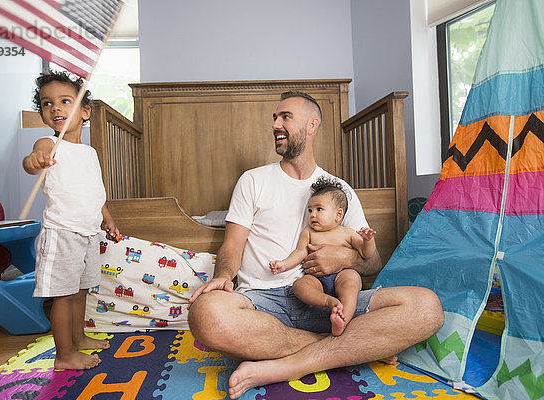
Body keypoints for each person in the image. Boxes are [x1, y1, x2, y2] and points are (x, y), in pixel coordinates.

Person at [188, 90, 443, 400]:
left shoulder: (339, 191)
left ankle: (288, 365)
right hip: (261, 305)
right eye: (274, 118)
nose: (275, 125)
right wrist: (224, 276)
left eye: (285, 117)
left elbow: (371, 264)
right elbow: (231, 246)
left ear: (312, 125)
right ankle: (352, 348)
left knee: (427, 307)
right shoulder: (253, 180)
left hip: (329, 301)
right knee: (205, 314)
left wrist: (342, 258)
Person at [23, 71, 120, 370]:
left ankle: (78, 339)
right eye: (47, 103)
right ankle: (64, 355)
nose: (56, 108)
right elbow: (32, 160)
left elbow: (96, 191)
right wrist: (34, 161)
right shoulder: (49, 144)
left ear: (85, 111)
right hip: (62, 232)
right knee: (63, 296)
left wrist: (108, 219)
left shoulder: (89, 153)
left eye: (65, 101)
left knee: (80, 292)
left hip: (88, 233)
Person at [269, 176, 376, 337]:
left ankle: (342, 320)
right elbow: (300, 252)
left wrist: (368, 240)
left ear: (338, 215)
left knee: (351, 281)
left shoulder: (347, 233)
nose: (313, 215)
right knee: (300, 285)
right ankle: (329, 302)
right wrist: (284, 264)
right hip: (316, 279)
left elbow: (366, 253)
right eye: (310, 210)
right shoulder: (309, 232)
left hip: (342, 275)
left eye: (319, 209)